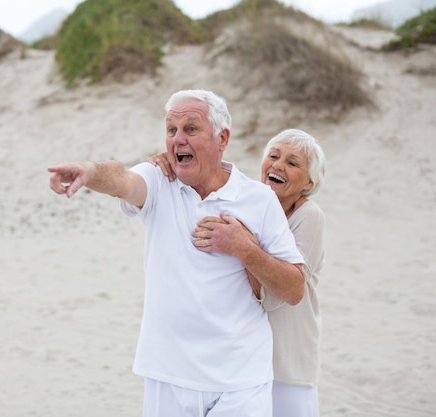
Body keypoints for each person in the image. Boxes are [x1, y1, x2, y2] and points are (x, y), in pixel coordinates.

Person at [48, 90, 305, 417]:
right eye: (171, 130)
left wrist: (243, 248)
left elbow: (295, 289)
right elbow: (121, 178)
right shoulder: (158, 180)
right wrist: (89, 172)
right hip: (168, 375)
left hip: (242, 378)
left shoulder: (259, 199)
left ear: (222, 138)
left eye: (190, 128)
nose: (177, 139)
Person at [150, 128, 326, 417]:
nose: (278, 165)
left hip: (287, 364)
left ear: (309, 181)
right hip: (245, 364)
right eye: (273, 156)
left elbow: (275, 297)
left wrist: (245, 244)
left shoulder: (309, 216)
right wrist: (170, 165)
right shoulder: (248, 203)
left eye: (293, 163)